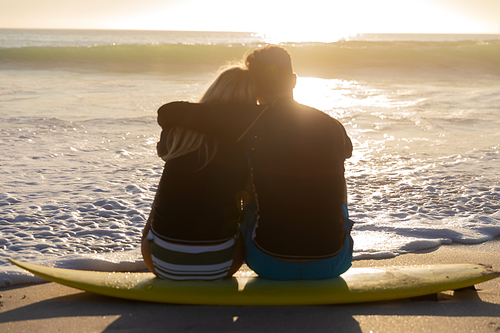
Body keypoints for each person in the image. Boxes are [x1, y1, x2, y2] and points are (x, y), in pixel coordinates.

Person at [156, 45, 354, 280]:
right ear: (293, 80)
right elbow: (347, 151)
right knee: (336, 178)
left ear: (256, 87)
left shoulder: (248, 119)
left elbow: (168, 112)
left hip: (269, 263)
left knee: (252, 180)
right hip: (333, 262)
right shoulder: (332, 124)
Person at [141, 66, 257, 280]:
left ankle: (162, 242)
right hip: (221, 266)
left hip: (161, 263)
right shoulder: (248, 145)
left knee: (163, 194)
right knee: (248, 201)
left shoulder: (180, 135)